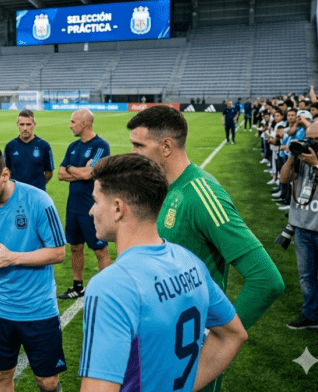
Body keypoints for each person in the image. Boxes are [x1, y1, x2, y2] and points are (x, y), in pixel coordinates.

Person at [127, 105, 284, 392]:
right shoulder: (161, 189)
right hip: (157, 341)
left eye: (139, 145)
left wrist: (217, 336)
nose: (132, 152)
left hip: (187, 350)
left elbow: (266, 280)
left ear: (166, 146)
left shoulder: (201, 194)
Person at [80, 153, 247, 392]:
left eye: (96, 200)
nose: (91, 211)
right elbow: (233, 335)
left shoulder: (110, 286)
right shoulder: (189, 260)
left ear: (118, 208)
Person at [0, 145, 67, 392]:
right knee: (0, 377)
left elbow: (58, 252)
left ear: (5, 174)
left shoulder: (38, 201)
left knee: (47, 381)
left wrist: (11, 258)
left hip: (39, 310)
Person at [280, 121, 318, 348]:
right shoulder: (302, 156)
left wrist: (316, 164)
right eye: (310, 139)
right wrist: (293, 157)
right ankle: (310, 316)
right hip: (302, 227)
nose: (313, 144)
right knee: (306, 276)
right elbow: (284, 179)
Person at [56, 109, 111, 300]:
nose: (70, 125)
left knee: (99, 249)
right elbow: (61, 174)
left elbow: (90, 174)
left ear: (85, 123)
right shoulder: (73, 146)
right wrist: (77, 170)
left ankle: (107, 290)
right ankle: (77, 286)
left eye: (73, 122)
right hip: (73, 207)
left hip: (91, 208)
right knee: (75, 247)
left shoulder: (101, 147)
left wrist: (73, 169)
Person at [4, 109, 54, 191]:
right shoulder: (10, 146)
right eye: (22, 124)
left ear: (34, 124)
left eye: (28, 124)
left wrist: (37, 186)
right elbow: (7, 171)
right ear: (17, 125)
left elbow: (49, 173)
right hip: (17, 192)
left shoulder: (44, 146)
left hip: (37, 193)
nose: (25, 128)